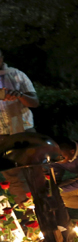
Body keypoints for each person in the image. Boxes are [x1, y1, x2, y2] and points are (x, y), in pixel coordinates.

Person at [0, 49, 40, 201]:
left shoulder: (17, 75)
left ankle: (45, 205)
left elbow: (35, 102)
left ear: (2, 58)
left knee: (34, 168)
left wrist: (19, 95)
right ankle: (26, 212)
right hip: (1, 134)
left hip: (24, 129)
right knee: (11, 174)